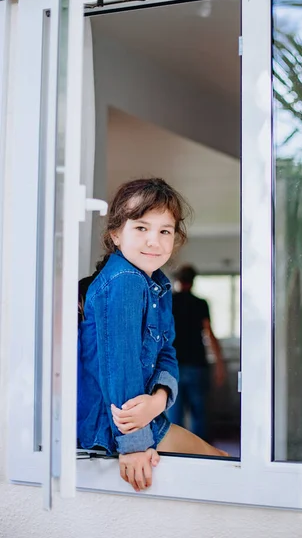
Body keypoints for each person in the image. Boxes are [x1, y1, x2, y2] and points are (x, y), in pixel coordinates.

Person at [77, 178, 227, 494]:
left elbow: (167, 353)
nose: (154, 241)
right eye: (141, 228)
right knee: (224, 467)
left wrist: (159, 401)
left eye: (164, 231)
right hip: (116, 428)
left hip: (147, 418)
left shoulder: (157, 285)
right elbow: (122, 367)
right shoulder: (125, 281)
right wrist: (133, 446)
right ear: (116, 234)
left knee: (223, 462)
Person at [168, 265, 226, 440]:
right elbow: (209, 333)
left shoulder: (168, 302)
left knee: (174, 416)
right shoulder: (200, 303)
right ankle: (201, 453)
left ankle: (176, 452)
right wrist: (219, 364)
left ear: (177, 280)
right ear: (193, 281)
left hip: (173, 366)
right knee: (198, 413)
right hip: (196, 364)